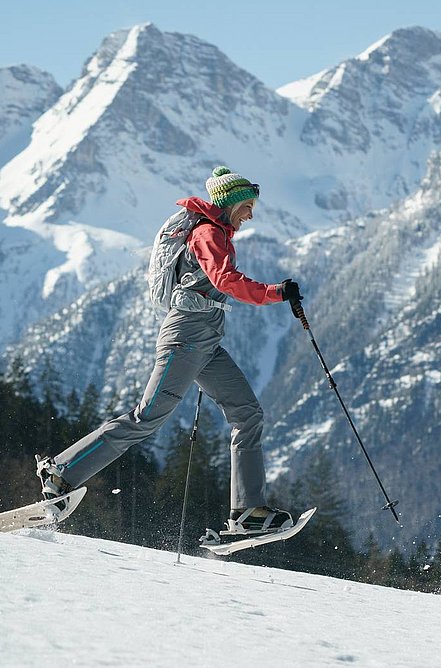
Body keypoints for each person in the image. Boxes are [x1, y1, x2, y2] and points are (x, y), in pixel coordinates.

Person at [37, 166, 303, 535]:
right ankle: (61, 472)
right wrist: (275, 292)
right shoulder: (210, 233)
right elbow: (224, 279)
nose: (251, 215)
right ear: (230, 203)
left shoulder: (217, 231)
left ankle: (248, 512)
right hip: (187, 337)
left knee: (248, 413)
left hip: (205, 340)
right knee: (146, 418)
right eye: (247, 206)